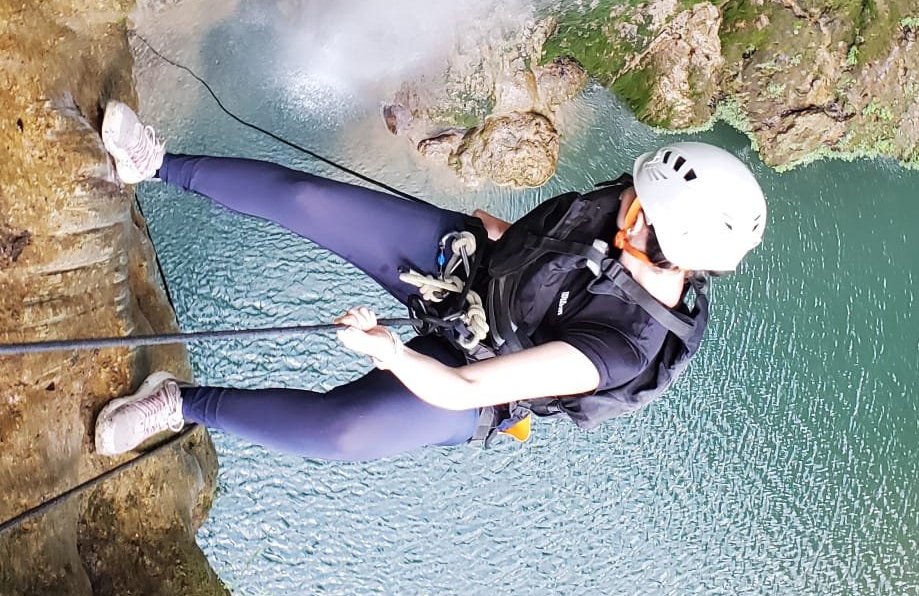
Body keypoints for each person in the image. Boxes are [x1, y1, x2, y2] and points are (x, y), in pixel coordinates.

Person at [93, 101, 767, 461]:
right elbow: (564, 249)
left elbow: (467, 387)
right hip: (473, 267)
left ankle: (179, 403)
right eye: (636, 188)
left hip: (483, 372)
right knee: (310, 203)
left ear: (662, 245)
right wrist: (510, 238)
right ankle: (153, 164)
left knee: (341, 435)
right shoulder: (629, 209)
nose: (625, 196)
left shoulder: (621, 349)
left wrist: (390, 352)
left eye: (639, 207)